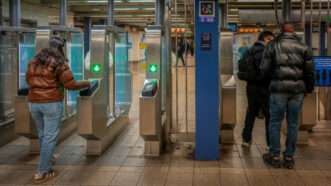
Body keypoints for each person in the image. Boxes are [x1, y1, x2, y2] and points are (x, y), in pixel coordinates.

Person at [26, 36, 90, 183]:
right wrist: (87, 83)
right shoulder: (59, 63)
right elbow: (71, 84)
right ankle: (43, 171)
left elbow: (28, 80)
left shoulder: (34, 61)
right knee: (50, 137)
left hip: (34, 102)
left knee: (43, 134)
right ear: (61, 49)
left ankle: (47, 159)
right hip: (51, 103)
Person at [260, 23, 315, 169]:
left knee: (275, 122)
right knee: (293, 124)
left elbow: (264, 69)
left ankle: (275, 155)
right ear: (294, 32)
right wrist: (309, 89)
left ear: (281, 31)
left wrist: (268, 85)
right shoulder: (304, 47)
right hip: (297, 91)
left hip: (278, 90)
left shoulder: (272, 45)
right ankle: (289, 157)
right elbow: (309, 72)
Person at [241, 31, 275, 148]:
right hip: (265, 87)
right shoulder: (267, 52)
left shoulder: (248, 51)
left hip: (251, 87)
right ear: (266, 39)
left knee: (250, 112)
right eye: (271, 40)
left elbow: (241, 66)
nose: (272, 43)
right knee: (268, 115)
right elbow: (268, 70)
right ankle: (270, 143)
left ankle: (246, 139)